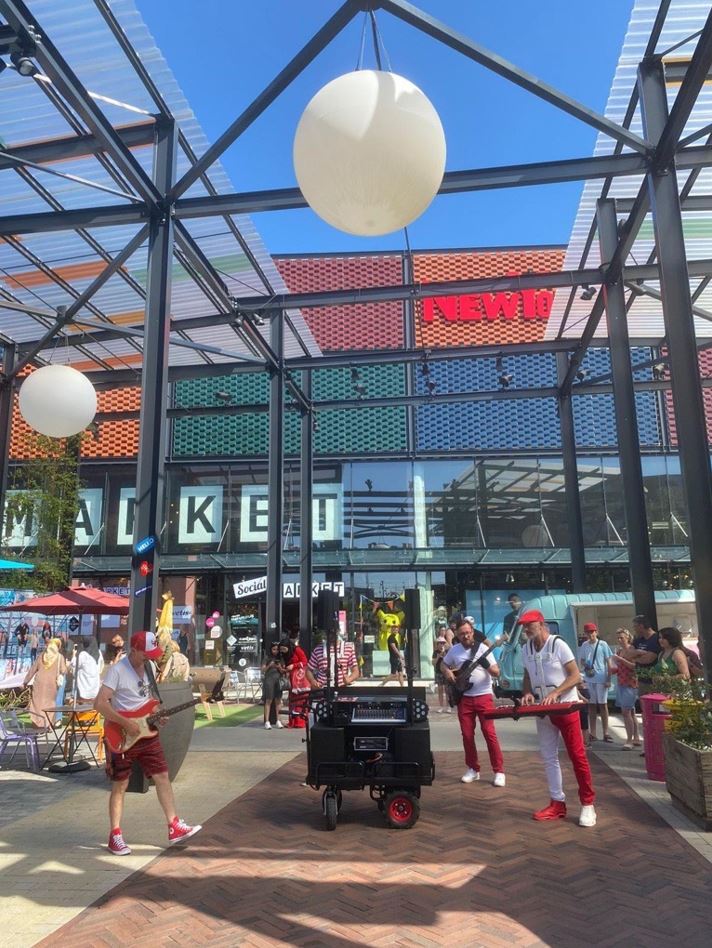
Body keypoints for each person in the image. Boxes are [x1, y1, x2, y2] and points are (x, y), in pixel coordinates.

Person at [94, 630, 201, 856]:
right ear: (133, 650)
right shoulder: (117, 671)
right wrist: (126, 722)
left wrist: (157, 713)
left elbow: (148, 700)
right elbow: (100, 704)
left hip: (147, 734)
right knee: (121, 785)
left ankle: (174, 826)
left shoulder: (150, 668)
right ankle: (115, 835)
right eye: (146, 654)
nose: (150, 658)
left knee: (162, 776)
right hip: (122, 736)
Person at [518, 609, 596, 827]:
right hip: (543, 711)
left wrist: (556, 693)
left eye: (529, 625)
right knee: (548, 756)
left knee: (577, 755)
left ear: (541, 624)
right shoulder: (526, 649)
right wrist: (526, 692)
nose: (525, 629)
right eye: (523, 626)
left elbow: (575, 675)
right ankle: (557, 802)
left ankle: (588, 804)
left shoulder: (558, 644)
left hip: (565, 707)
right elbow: (527, 676)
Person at [440, 619, 505, 786]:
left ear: (472, 632)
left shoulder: (483, 649)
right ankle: (473, 769)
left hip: (484, 696)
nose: (466, 636)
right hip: (465, 697)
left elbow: (497, 672)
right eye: (462, 634)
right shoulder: (454, 650)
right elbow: (443, 664)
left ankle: (499, 771)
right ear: (457, 635)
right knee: (467, 735)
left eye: (468, 632)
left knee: (489, 734)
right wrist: (447, 672)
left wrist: (487, 667)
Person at [577, 622, 613, 743]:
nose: (590, 634)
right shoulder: (584, 645)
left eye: (592, 632)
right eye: (588, 632)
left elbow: (609, 662)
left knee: (603, 704)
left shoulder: (603, 644)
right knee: (591, 705)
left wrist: (608, 679)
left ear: (596, 632)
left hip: (601, 678)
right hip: (589, 677)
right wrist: (585, 665)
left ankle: (606, 732)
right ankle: (593, 732)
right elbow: (581, 660)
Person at [23, 637, 67, 728]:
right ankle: (47, 725)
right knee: (49, 704)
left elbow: (33, 669)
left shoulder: (42, 655)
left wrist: (25, 681)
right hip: (52, 685)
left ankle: (36, 724)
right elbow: (63, 670)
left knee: (37, 704)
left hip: (39, 683)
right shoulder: (60, 657)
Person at [609, 628, 641, 749]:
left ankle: (629, 740)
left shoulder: (631, 650)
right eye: (618, 638)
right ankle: (636, 737)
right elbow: (617, 667)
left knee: (625, 712)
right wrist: (613, 667)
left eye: (621, 637)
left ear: (628, 637)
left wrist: (621, 660)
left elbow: (634, 666)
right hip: (621, 682)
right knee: (631, 712)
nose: (619, 640)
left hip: (630, 683)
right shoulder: (619, 651)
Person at [631, 614, 661, 697]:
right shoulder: (638, 639)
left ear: (641, 626)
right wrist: (640, 652)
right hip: (641, 680)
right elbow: (628, 654)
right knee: (644, 707)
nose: (634, 629)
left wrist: (635, 656)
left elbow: (648, 659)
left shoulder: (656, 638)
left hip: (653, 681)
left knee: (655, 707)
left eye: (635, 627)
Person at [284, 634, 309, 728]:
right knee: (292, 700)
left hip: (300, 679)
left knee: (301, 700)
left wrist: (294, 665)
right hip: (292, 679)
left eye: (284, 649)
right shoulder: (286, 654)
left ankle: (301, 721)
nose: (283, 651)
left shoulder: (297, 650)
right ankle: (292, 721)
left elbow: (305, 661)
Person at [261, 640, 285, 730]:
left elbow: (284, 670)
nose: (276, 651)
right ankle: (267, 721)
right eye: (274, 649)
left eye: (277, 649)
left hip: (278, 680)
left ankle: (278, 720)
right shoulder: (267, 657)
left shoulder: (281, 658)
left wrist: (279, 667)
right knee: (268, 700)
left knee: (278, 700)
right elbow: (262, 670)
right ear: (271, 649)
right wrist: (269, 666)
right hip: (269, 680)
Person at [71, 638, 104, 704]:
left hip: (83, 686)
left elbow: (73, 663)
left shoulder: (83, 654)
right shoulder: (98, 652)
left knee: (81, 708)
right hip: (94, 686)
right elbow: (101, 665)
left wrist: (74, 654)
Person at [431, 635, 451, 713]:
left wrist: (445, 654)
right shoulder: (435, 652)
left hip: (446, 672)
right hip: (438, 672)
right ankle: (441, 707)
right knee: (440, 690)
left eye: (443, 643)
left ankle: (448, 706)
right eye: (440, 643)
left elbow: (450, 662)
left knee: (447, 690)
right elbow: (433, 663)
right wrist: (439, 656)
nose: (442, 645)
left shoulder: (447, 652)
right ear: (437, 644)